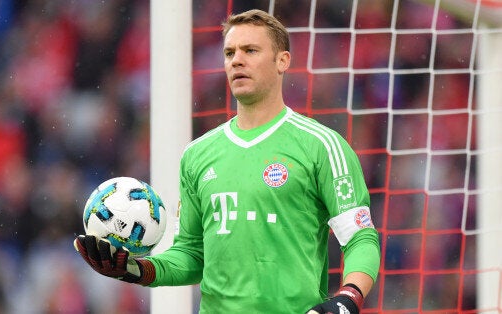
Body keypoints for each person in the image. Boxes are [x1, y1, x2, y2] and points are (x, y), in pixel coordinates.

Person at [74, 9, 380, 314]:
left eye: (250, 50)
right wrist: (136, 269)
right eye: (230, 52)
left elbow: (360, 238)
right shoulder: (198, 154)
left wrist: (347, 298)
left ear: (282, 61)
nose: (237, 60)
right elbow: (192, 254)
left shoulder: (322, 145)